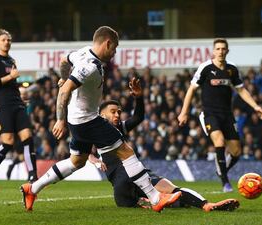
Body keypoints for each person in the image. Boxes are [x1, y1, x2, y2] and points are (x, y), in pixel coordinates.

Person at [21, 26, 181, 212]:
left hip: (79, 119)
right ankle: (155, 198)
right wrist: (60, 119)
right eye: (114, 48)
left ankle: (32, 189)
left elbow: (64, 60)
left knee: (77, 161)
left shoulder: (81, 53)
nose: (114, 53)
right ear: (107, 43)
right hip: (87, 119)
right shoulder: (90, 66)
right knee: (125, 151)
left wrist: (65, 77)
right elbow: (64, 91)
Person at [88, 79, 239, 211]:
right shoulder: (94, 130)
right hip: (121, 184)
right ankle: (149, 200)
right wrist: (94, 159)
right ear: (102, 115)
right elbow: (82, 150)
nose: (117, 115)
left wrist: (139, 98)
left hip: (140, 174)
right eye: (113, 112)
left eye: (119, 112)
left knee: (174, 192)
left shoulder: (120, 127)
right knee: (128, 203)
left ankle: (207, 205)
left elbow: (138, 117)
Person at [178, 38, 262, 192]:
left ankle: (221, 168)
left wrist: (256, 106)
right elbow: (192, 89)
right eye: (217, 49)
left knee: (236, 152)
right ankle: (225, 181)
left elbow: (241, 90)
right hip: (209, 113)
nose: (220, 51)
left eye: (223, 49)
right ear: (213, 51)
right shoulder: (205, 68)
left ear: (227, 51)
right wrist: (184, 112)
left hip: (227, 114)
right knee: (219, 141)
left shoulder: (232, 69)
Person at [0, 29, 37, 188]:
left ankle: (33, 176)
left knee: (28, 137)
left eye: (9, 40)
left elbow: (12, 84)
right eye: (4, 40)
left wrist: (21, 95)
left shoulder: (12, 60)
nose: (7, 42)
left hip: (17, 103)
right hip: (2, 104)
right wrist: (10, 77)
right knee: (7, 143)